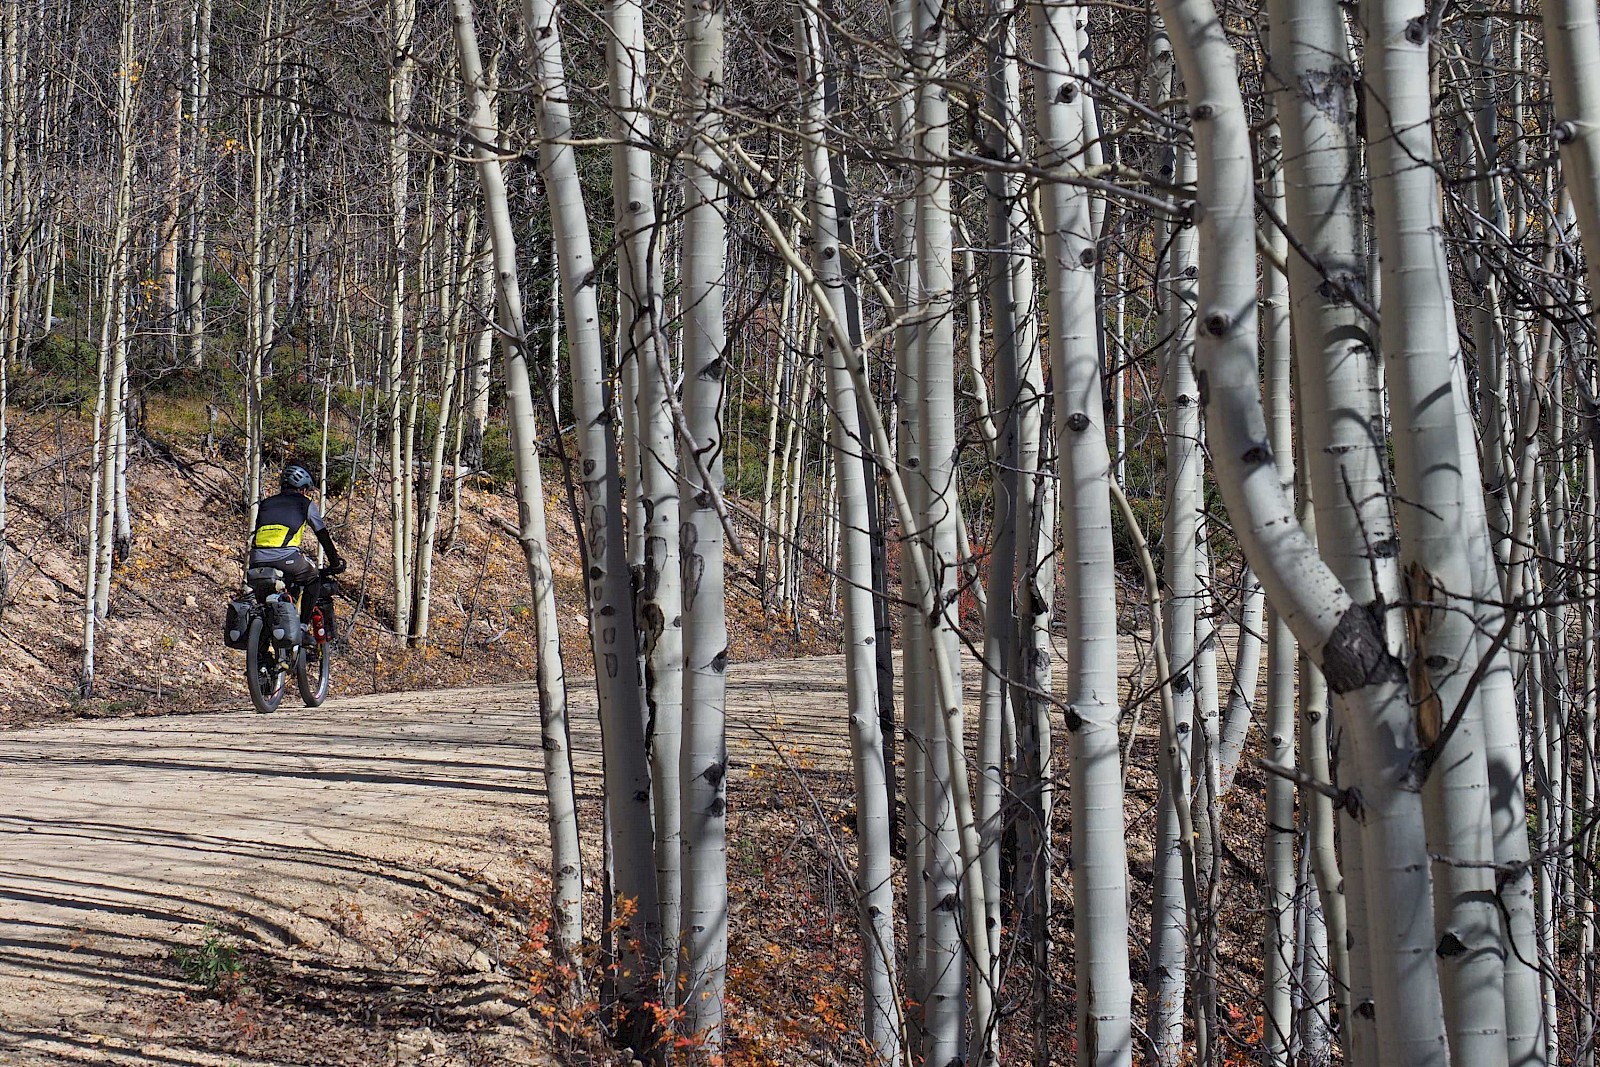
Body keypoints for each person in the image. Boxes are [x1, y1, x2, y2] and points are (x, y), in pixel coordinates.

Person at [250, 465, 346, 601]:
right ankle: (305, 616)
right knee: (314, 577)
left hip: (256, 559)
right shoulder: (305, 503)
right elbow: (322, 534)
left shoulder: (265, 503)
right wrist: (335, 562)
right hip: (286, 557)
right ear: (303, 488)